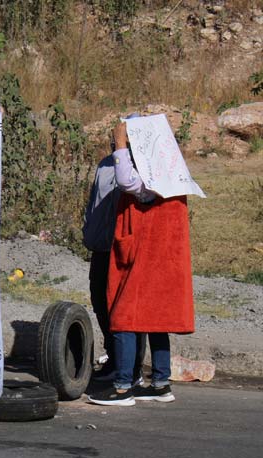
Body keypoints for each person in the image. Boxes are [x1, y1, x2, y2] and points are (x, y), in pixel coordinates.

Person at [87, 119, 195, 407]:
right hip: (165, 259)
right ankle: (160, 384)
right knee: (157, 320)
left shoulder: (151, 178)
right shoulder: (174, 173)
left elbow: (126, 180)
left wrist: (121, 142)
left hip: (145, 257)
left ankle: (123, 387)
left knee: (124, 318)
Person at [83, 122, 145, 386]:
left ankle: (131, 368)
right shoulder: (104, 165)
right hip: (100, 246)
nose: (116, 141)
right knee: (100, 301)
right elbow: (95, 200)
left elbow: (129, 185)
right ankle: (114, 358)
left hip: (123, 249)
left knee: (124, 308)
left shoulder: (137, 168)